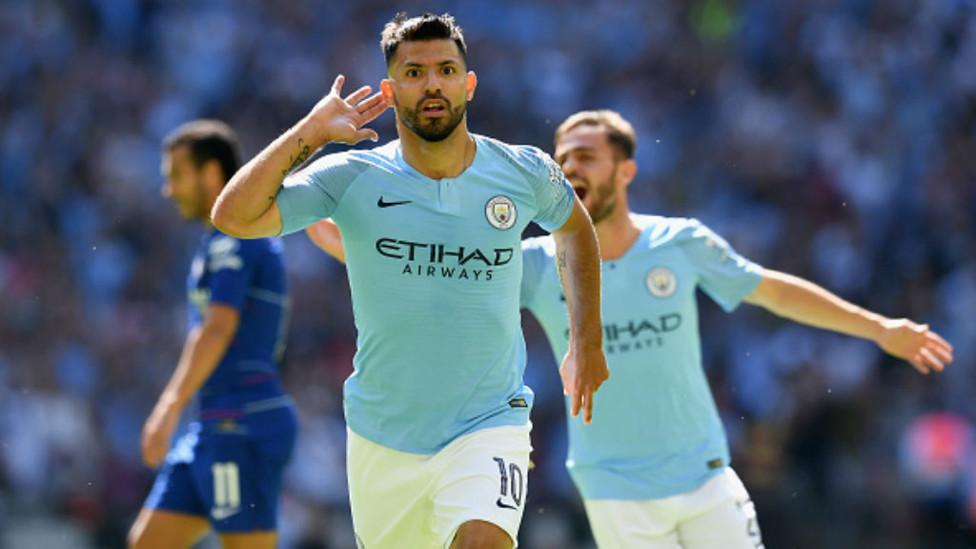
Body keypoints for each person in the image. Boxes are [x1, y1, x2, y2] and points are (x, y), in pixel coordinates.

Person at [306, 109, 955, 549]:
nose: (571, 168)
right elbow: (431, 275)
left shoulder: (681, 243)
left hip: (704, 472)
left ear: (626, 171)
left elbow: (774, 290)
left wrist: (881, 328)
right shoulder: (533, 262)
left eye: (587, 155)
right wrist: (343, 226)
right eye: (563, 158)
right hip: (613, 483)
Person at [210, 12, 609, 549]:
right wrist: (311, 133)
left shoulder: (523, 172)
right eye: (414, 72)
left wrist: (586, 340)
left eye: (446, 69)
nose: (432, 84)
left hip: (490, 422)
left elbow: (575, 230)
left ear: (468, 83)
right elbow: (232, 215)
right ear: (391, 88)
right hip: (384, 437)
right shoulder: (354, 177)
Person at [128, 120, 298, 549]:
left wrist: (169, 404)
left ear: (210, 174)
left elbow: (218, 327)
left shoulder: (240, 234)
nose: (168, 190)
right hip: (210, 423)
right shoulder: (215, 240)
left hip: (242, 423)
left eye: (176, 176)